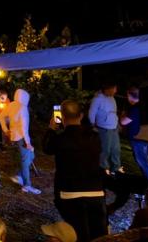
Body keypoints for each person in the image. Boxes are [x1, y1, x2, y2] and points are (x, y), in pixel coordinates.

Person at [43, 100, 107, 242]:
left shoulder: (60, 139)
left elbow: (47, 148)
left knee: (78, 232)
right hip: (95, 191)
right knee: (98, 235)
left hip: (68, 193)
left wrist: (51, 129)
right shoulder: (94, 137)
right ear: (82, 115)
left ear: (62, 117)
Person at [0, 89, 40, 194]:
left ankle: (19, 175)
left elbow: (1, 116)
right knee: (26, 162)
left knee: (30, 156)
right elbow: (24, 128)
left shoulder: (11, 105)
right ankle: (27, 185)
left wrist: (6, 130)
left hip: (14, 137)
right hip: (22, 138)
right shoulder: (23, 108)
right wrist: (28, 143)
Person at [120, 86, 148, 187]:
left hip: (137, 139)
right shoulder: (144, 106)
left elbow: (123, 122)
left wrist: (122, 115)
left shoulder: (134, 109)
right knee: (145, 161)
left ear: (130, 96)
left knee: (142, 162)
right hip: (145, 136)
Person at [89, 81, 122, 174]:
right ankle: (104, 169)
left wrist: (117, 123)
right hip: (104, 128)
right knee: (105, 150)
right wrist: (92, 124)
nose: (115, 91)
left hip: (114, 128)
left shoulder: (112, 98)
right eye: (114, 88)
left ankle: (116, 169)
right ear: (108, 89)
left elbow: (113, 112)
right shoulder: (97, 99)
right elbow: (92, 112)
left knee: (116, 149)